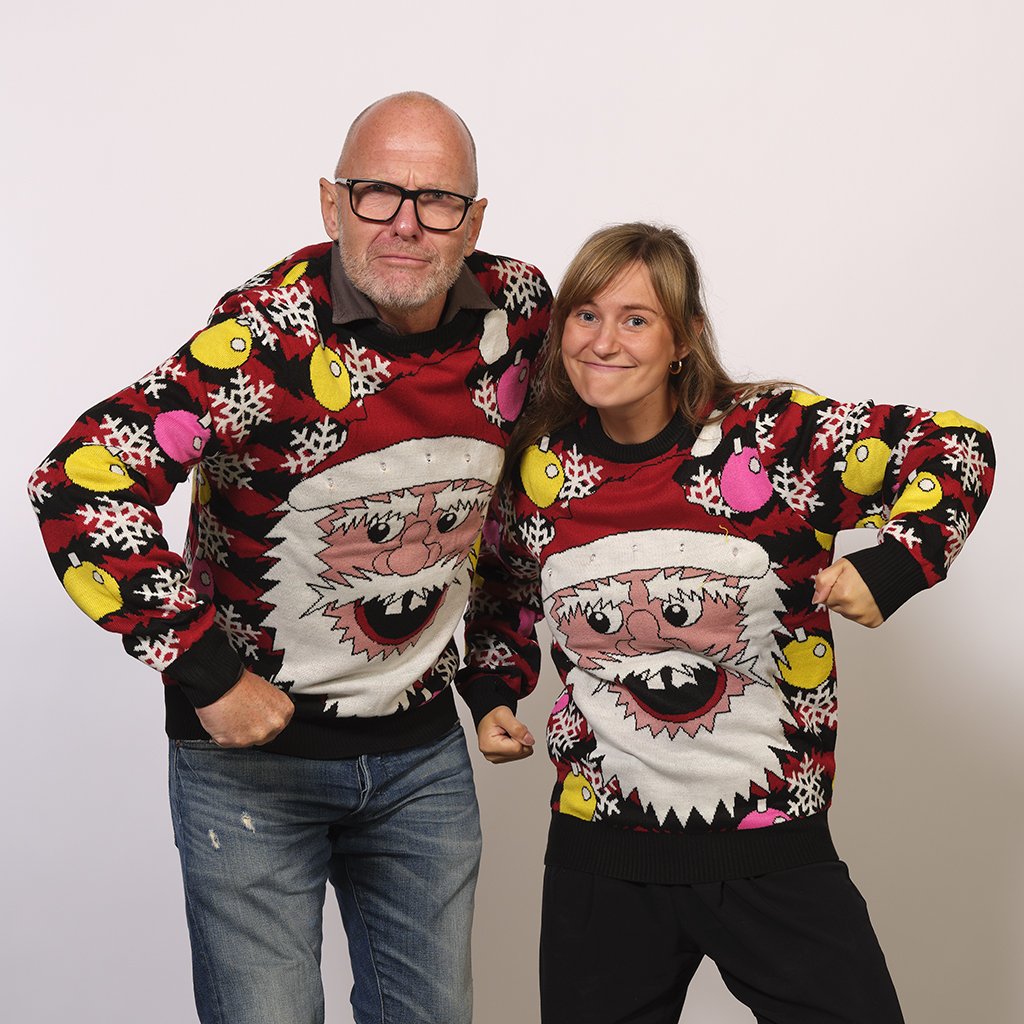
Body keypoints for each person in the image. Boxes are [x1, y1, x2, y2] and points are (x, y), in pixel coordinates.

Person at [28, 91, 551, 1024]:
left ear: (474, 222)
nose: (405, 224)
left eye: (436, 201)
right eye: (376, 193)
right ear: (329, 204)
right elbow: (78, 481)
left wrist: (494, 677)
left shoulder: (520, 318)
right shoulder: (264, 342)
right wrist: (206, 674)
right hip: (252, 765)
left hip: (422, 757)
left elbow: (516, 499)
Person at [458, 222, 994, 1023]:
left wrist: (897, 562)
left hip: (770, 844)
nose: (604, 341)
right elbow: (503, 586)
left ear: (685, 339)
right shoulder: (540, 472)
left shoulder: (774, 442)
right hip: (601, 857)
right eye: (586, 315)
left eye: (636, 319)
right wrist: (494, 690)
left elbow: (956, 448)